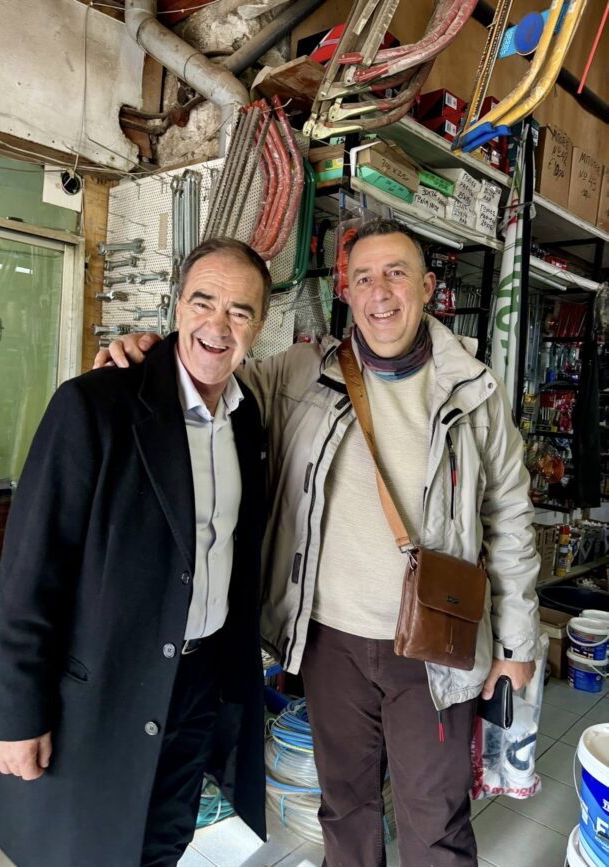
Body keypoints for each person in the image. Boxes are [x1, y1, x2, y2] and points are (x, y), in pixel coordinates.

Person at [97, 218, 541, 867]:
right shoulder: (302, 372)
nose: (379, 292)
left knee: (434, 815)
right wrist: (148, 353)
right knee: (345, 804)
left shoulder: (474, 390)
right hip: (331, 643)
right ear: (346, 291)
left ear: (427, 288)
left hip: (437, 647)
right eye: (363, 278)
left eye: (396, 274)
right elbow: (211, 368)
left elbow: (510, 519)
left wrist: (516, 647)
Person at [0, 238, 272, 867]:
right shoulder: (96, 404)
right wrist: (13, 713)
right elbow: (32, 569)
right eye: (203, 302)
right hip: (103, 686)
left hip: (198, 684)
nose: (218, 325)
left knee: (164, 839)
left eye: (240, 311)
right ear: (177, 307)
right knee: (84, 849)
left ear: (259, 326)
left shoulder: (247, 423)